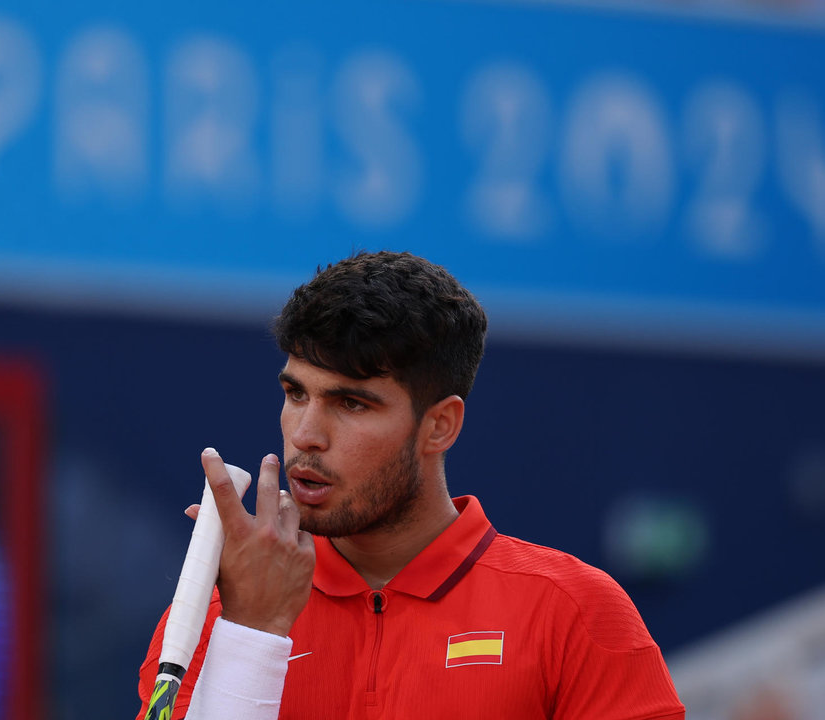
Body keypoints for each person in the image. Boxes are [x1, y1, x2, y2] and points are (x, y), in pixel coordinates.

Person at [136, 251, 684, 719]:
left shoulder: (575, 611)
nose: (305, 435)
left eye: (351, 404)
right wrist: (253, 632)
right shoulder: (219, 615)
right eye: (296, 393)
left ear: (440, 425)